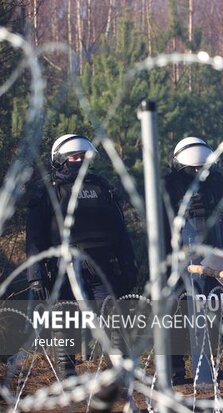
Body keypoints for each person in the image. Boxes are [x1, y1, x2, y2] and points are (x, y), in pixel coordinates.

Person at [26, 133, 137, 379]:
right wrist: (35, 275)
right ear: (61, 159)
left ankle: (122, 374)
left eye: (83, 156)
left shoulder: (101, 186)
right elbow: (34, 237)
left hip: (103, 265)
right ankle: (68, 378)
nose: (79, 160)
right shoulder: (47, 192)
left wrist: (129, 263)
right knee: (64, 323)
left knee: (115, 319)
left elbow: (120, 230)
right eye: (74, 156)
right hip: (63, 266)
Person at [163, 136, 223, 384]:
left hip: (212, 256)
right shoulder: (168, 185)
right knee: (174, 311)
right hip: (175, 256)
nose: (200, 172)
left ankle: (208, 367)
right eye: (194, 168)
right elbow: (155, 217)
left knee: (208, 313)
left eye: (203, 167)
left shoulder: (216, 181)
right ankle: (174, 368)